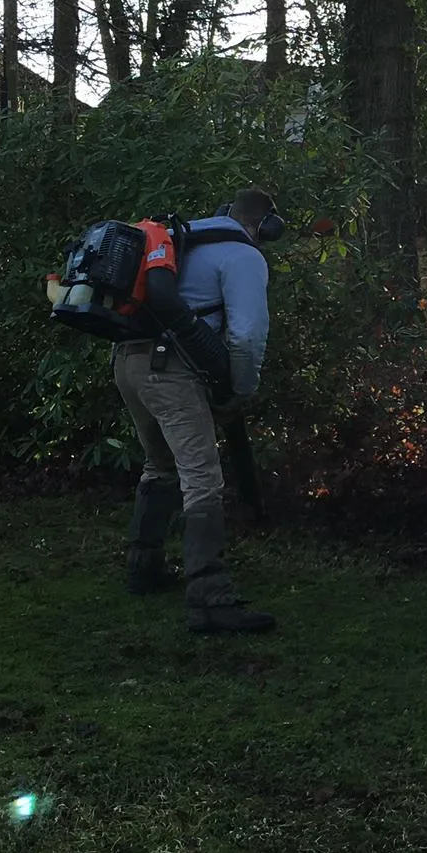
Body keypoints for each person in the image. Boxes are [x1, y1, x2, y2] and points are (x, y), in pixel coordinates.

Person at [116, 187, 279, 633]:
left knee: (160, 464)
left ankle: (144, 566)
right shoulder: (243, 255)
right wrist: (241, 389)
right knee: (202, 478)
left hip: (127, 361)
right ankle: (210, 598)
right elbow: (246, 335)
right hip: (168, 369)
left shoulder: (180, 239)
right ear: (267, 226)